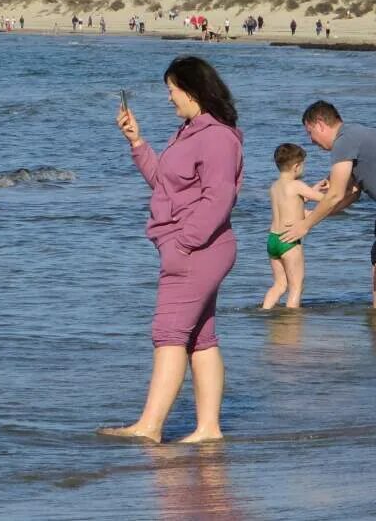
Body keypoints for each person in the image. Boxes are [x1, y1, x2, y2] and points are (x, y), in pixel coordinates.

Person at [103, 56, 243, 443]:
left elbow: (220, 198)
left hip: (197, 250)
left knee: (168, 333)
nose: (169, 98)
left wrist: (183, 244)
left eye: (172, 90)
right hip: (193, 248)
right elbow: (166, 185)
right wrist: (137, 142)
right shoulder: (189, 132)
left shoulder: (216, 137)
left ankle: (149, 427)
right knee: (200, 337)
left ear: (194, 91)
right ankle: (208, 429)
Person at [281, 101, 376, 312]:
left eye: (310, 133)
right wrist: (314, 213)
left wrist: (306, 225)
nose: (311, 140)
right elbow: (351, 194)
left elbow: (336, 194)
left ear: (320, 124)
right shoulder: (352, 137)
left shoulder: (345, 141)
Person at [262, 144, 326, 309]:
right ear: (296, 166)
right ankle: (292, 322)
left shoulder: (275, 186)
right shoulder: (297, 185)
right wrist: (337, 191)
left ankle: (265, 311)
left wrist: (312, 189)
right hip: (289, 241)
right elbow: (326, 200)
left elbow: (292, 204)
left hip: (273, 239)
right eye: (303, 164)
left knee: (279, 285)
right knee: (296, 287)